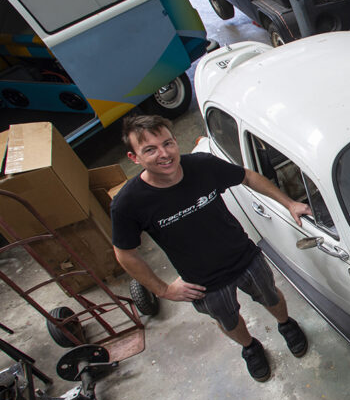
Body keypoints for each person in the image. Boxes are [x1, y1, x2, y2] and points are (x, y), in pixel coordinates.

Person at [111, 114, 312, 382]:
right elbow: (125, 253)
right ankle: (250, 348)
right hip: (202, 282)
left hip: (243, 257)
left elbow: (248, 177)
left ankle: (286, 325)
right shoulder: (128, 203)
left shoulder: (202, 166)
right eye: (150, 149)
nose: (164, 154)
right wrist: (163, 290)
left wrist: (289, 203)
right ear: (134, 157)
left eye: (168, 143)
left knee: (271, 297)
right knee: (228, 320)